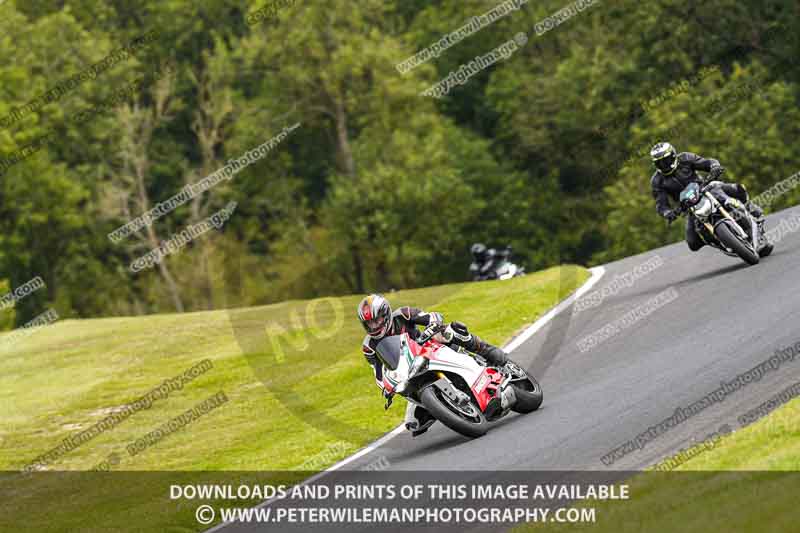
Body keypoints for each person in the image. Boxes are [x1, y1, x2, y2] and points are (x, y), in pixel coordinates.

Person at [357, 294, 507, 436]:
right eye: (369, 323)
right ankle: (444, 406)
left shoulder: (403, 314)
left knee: (448, 331)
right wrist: (386, 388)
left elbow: (432, 317)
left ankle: (486, 350)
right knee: (413, 423)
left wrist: (432, 325)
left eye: (376, 320)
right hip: (411, 372)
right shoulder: (369, 346)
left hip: (428, 348)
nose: (374, 326)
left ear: (386, 314)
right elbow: (378, 373)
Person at [649, 142, 763, 251]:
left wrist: (714, 166)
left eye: (666, 160)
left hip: (706, 188)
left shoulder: (685, 158)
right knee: (692, 243)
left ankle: (750, 207)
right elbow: (661, 203)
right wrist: (667, 213)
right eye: (660, 163)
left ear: (673, 155)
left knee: (738, 189)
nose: (664, 165)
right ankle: (720, 242)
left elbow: (706, 162)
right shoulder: (657, 181)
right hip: (689, 205)